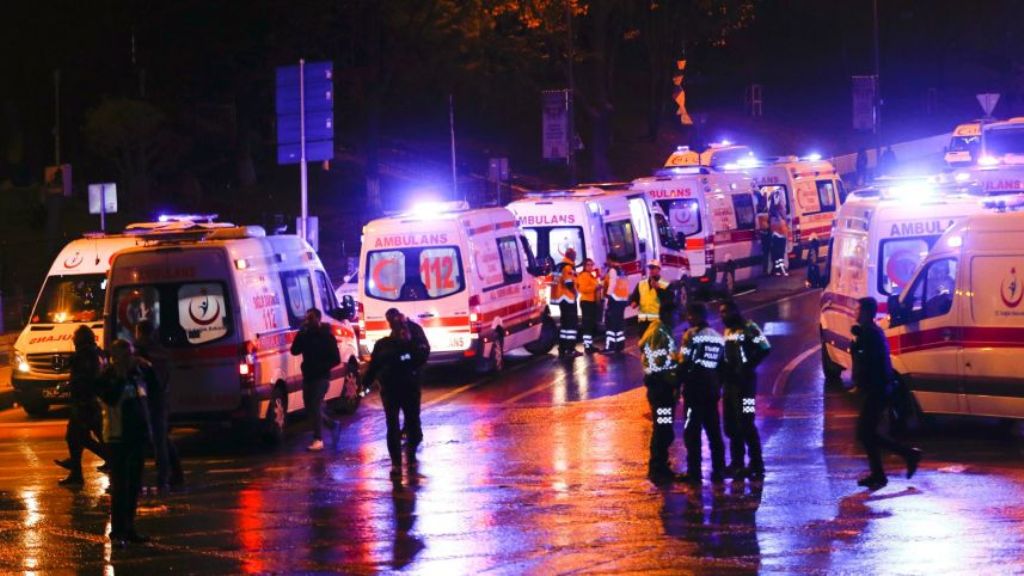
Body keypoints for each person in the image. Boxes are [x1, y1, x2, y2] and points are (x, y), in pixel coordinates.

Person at [851, 297, 922, 489]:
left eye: (858, 310)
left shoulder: (869, 334)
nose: (855, 313)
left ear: (866, 312)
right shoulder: (871, 332)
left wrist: (855, 350)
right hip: (878, 389)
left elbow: (868, 363)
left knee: (865, 433)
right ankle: (881, 472)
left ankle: (906, 456)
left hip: (877, 390)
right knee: (867, 433)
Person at [96, 339, 155, 545]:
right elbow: (110, 399)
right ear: (115, 357)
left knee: (134, 486)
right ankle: (118, 531)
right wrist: (121, 377)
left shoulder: (136, 375)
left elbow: (149, 398)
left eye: (131, 354)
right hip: (117, 437)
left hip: (137, 436)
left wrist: (148, 368)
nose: (130, 358)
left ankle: (130, 528)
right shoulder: (107, 377)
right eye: (125, 355)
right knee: (120, 487)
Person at [364, 309, 429, 477]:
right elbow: (374, 366)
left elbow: (421, 355)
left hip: (405, 389)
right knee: (396, 426)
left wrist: (365, 384)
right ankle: (398, 463)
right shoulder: (384, 345)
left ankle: (407, 457)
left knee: (409, 424)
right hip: (395, 390)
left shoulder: (410, 341)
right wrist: (364, 385)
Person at [720, 300, 771, 480]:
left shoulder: (749, 327)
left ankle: (756, 464)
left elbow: (765, 348)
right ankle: (737, 463)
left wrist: (748, 366)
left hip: (746, 386)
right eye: (721, 312)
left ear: (735, 311)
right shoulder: (727, 331)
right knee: (731, 425)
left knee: (746, 423)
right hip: (730, 385)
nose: (722, 316)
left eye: (725, 312)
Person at [678, 302, 726, 484]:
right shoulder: (717, 337)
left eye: (689, 315)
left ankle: (694, 473)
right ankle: (719, 470)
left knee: (692, 432)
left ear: (694, 316)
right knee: (714, 431)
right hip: (711, 390)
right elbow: (722, 366)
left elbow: (683, 361)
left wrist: (678, 385)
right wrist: (717, 386)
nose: (688, 319)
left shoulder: (690, 335)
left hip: (694, 389)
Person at [54, 325, 108, 485]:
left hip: (84, 403)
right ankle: (76, 470)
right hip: (91, 401)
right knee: (82, 436)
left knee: (77, 437)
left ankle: (107, 459)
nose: (73, 339)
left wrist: (67, 386)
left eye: (74, 336)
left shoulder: (84, 355)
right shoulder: (94, 352)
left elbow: (83, 379)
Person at [133, 320, 183, 491]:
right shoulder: (160, 350)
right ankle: (175, 473)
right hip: (161, 397)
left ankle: (163, 478)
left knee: (157, 440)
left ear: (139, 332)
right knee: (162, 437)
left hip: (147, 399)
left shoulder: (140, 351)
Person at [639, 304, 680, 483]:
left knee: (663, 428)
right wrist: (675, 379)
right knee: (663, 429)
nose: (680, 318)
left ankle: (660, 466)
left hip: (659, 387)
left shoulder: (657, 330)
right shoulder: (661, 334)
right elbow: (660, 364)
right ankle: (658, 468)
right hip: (662, 390)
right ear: (669, 314)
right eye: (678, 314)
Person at [290, 308, 342, 451]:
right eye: (307, 318)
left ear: (318, 319)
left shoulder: (326, 336)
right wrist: (300, 334)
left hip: (321, 377)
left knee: (314, 405)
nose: (308, 321)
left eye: (311, 318)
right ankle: (332, 425)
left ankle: (318, 439)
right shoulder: (305, 335)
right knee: (311, 409)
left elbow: (336, 359)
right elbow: (294, 351)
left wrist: (322, 367)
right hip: (308, 376)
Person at [386, 308, 430, 442]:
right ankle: (409, 430)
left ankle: (415, 432)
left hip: (413, 372)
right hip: (402, 374)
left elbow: (422, 350)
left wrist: (409, 361)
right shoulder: (395, 331)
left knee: (412, 404)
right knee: (406, 403)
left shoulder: (413, 329)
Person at [552, 247, 580, 358]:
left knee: (565, 325)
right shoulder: (568, 267)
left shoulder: (559, 266)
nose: (575, 257)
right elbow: (569, 283)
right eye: (574, 254)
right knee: (571, 325)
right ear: (570, 255)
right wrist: (575, 292)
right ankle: (571, 349)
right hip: (568, 298)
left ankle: (563, 348)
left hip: (561, 299)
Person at [630, 260, 670, 335]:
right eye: (650, 268)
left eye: (653, 268)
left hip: (657, 321)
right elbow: (634, 297)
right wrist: (634, 302)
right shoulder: (641, 284)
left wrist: (658, 289)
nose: (651, 270)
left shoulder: (665, 284)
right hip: (643, 322)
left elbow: (669, 301)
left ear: (659, 269)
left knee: (656, 345)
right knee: (644, 345)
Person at [602, 259, 630, 353]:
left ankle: (610, 346)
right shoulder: (622, 270)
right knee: (619, 324)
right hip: (622, 300)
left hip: (614, 299)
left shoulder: (613, 270)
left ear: (611, 260)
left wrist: (607, 297)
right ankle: (619, 345)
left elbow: (612, 284)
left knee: (611, 324)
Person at [577, 258, 602, 354]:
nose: (590, 266)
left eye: (591, 264)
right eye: (588, 265)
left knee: (590, 324)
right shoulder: (583, 275)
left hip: (592, 302)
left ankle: (590, 345)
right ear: (584, 266)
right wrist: (595, 287)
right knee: (587, 325)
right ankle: (587, 346)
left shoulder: (591, 276)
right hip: (586, 302)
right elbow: (583, 289)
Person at [769, 205, 789, 276]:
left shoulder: (773, 218)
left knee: (778, 255)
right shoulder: (778, 218)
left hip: (778, 238)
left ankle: (778, 270)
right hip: (780, 238)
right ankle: (780, 269)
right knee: (779, 255)